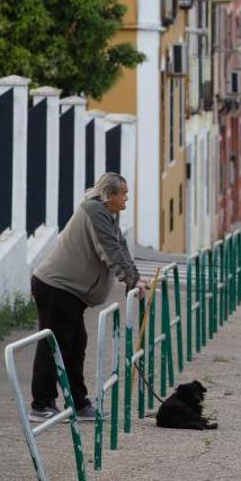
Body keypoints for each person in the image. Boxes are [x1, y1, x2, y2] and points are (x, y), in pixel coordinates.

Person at [29, 172, 148, 423]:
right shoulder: (94, 211)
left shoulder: (108, 215)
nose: (127, 198)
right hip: (57, 286)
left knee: (76, 344)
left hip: (71, 292)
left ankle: (78, 403)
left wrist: (134, 279)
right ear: (110, 194)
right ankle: (42, 405)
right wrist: (130, 279)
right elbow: (109, 249)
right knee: (55, 345)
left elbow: (121, 247)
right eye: (123, 193)